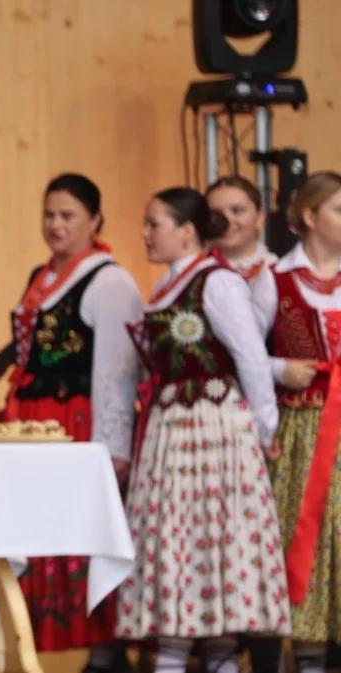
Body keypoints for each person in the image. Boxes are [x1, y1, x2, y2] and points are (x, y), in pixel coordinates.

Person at [116, 187, 290, 673]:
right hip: (173, 429)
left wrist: (262, 430)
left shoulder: (217, 282)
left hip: (214, 430)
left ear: (186, 231)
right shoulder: (166, 286)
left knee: (215, 538)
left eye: (155, 224)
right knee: (180, 540)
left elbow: (251, 359)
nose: (147, 234)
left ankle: (217, 656)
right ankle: (183, 652)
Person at [3, 174, 140, 669]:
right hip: (39, 427)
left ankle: (105, 653)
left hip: (76, 425)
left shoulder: (109, 281)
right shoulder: (44, 276)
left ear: (95, 221)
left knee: (82, 532)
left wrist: (113, 446)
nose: (56, 226)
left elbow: (116, 370)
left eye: (68, 216)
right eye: (49, 215)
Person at [250, 171, 341, 673]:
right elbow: (242, 353)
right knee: (302, 539)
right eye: (339, 210)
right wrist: (280, 368)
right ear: (309, 216)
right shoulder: (276, 279)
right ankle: (305, 656)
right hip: (303, 428)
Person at [207, 175, 277, 283]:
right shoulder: (196, 272)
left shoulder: (277, 272)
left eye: (237, 210)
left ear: (259, 218)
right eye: (216, 214)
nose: (227, 220)